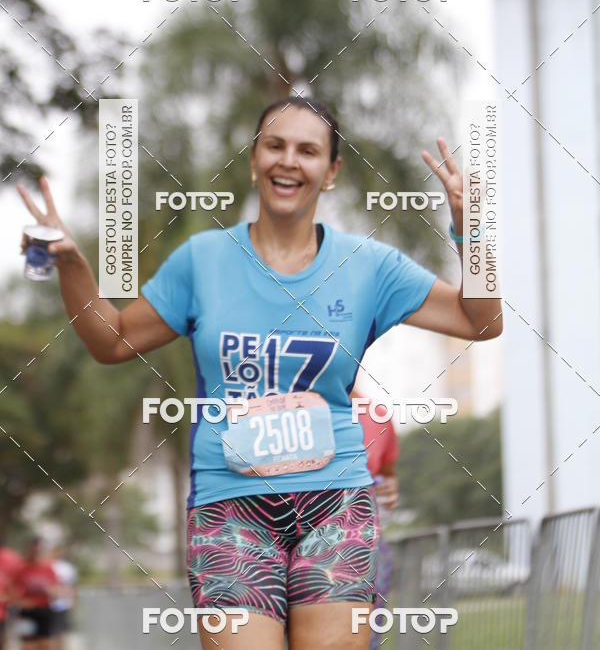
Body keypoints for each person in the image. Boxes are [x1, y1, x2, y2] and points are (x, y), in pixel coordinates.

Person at [17, 96, 503, 649]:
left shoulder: (370, 266)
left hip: (335, 500)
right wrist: (74, 265)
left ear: (332, 171)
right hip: (229, 505)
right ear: (254, 160)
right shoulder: (202, 260)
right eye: (275, 146)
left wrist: (474, 232)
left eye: (308, 150)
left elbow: (479, 322)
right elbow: (113, 340)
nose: (288, 161)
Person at [350, 389, 399, 650]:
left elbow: (388, 476)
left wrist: (389, 489)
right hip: (288, 541)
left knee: (364, 639)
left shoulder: (377, 415)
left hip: (365, 545)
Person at [14, 538, 58, 650]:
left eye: (39, 551)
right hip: (26, 613)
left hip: (44, 611)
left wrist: (51, 592)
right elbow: (12, 591)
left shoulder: (49, 569)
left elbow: (56, 591)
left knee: (45, 644)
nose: (36, 553)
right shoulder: (22, 569)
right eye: (34, 550)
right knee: (27, 645)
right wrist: (20, 601)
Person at [48, 547, 77, 649]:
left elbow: (72, 585)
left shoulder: (67, 567)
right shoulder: (46, 565)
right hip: (46, 606)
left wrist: (72, 601)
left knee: (60, 633)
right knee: (47, 634)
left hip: (62, 605)